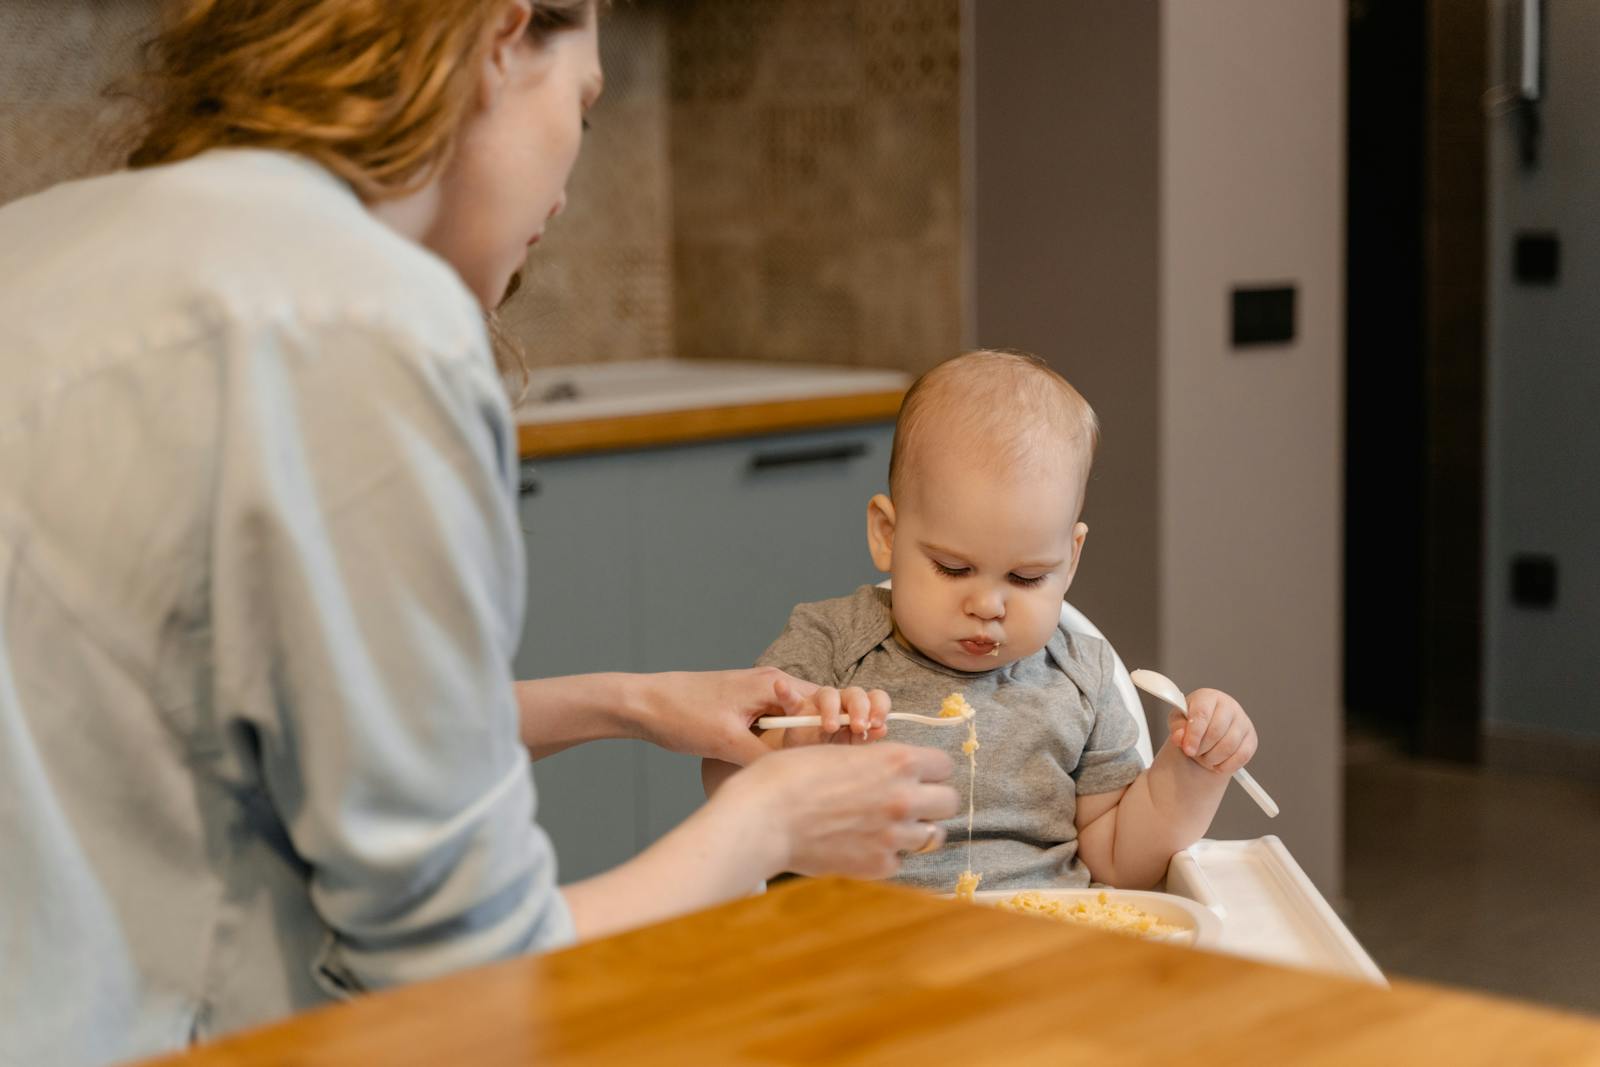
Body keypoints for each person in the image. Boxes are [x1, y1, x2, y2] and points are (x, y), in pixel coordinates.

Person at [0, 3, 959, 1063]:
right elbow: (467, 985)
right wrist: (771, 824)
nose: (566, 183)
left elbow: (207, 729)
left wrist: (629, 702)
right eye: (583, 112)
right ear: (502, 35)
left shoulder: (40, 239)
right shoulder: (364, 322)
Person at [703, 351, 1258, 894]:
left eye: (1026, 578)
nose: (989, 605)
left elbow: (1119, 864)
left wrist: (1193, 771)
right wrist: (796, 748)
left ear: (1072, 559)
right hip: (857, 945)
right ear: (887, 536)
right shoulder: (828, 645)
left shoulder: (1082, 677)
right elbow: (723, 780)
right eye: (954, 568)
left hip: (1035, 947)